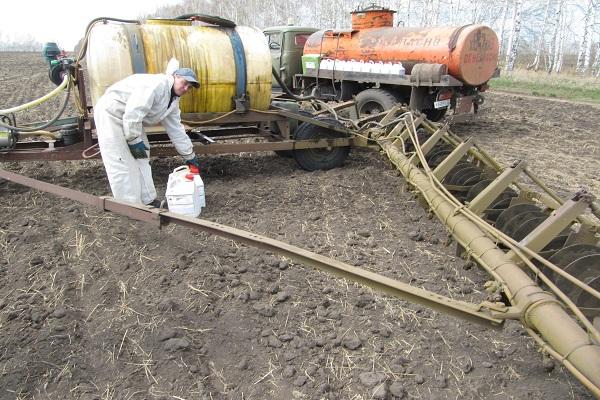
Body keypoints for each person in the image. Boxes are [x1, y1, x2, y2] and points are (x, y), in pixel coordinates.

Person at [94, 67, 202, 208]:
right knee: (122, 160)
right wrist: (134, 140)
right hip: (112, 114)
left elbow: (176, 130)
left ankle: (148, 201)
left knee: (142, 157)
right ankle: (129, 206)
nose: (186, 88)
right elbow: (134, 112)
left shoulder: (173, 101)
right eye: (185, 82)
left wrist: (189, 155)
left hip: (131, 121)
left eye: (190, 86)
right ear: (175, 76)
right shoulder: (157, 85)